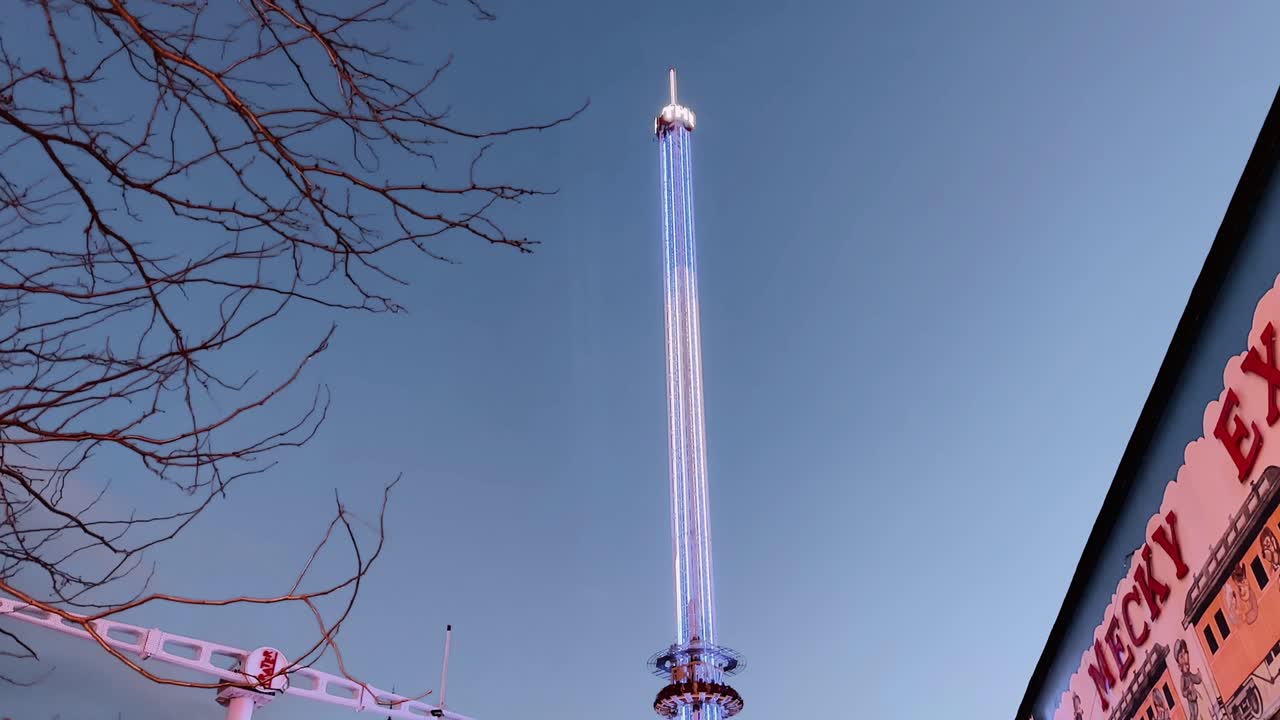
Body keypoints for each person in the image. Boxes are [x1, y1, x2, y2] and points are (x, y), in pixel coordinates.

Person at [1176, 638, 1207, 720]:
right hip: (1190, 698)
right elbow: (1183, 692)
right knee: (1193, 713)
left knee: (1196, 712)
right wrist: (1189, 690)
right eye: (1185, 665)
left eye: (1187, 665)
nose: (1187, 667)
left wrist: (1199, 675)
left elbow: (1195, 679)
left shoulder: (1189, 674)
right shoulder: (1183, 678)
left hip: (1194, 697)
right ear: (1180, 667)